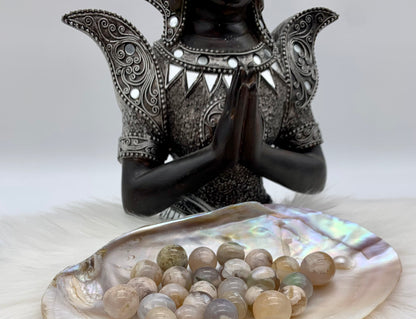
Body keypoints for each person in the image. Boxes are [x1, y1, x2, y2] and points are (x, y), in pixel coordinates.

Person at [63, 0, 338, 217]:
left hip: (261, 224)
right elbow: (136, 194)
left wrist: (257, 155)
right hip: (182, 226)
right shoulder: (155, 70)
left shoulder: (281, 63)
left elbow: (315, 173)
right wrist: (216, 156)